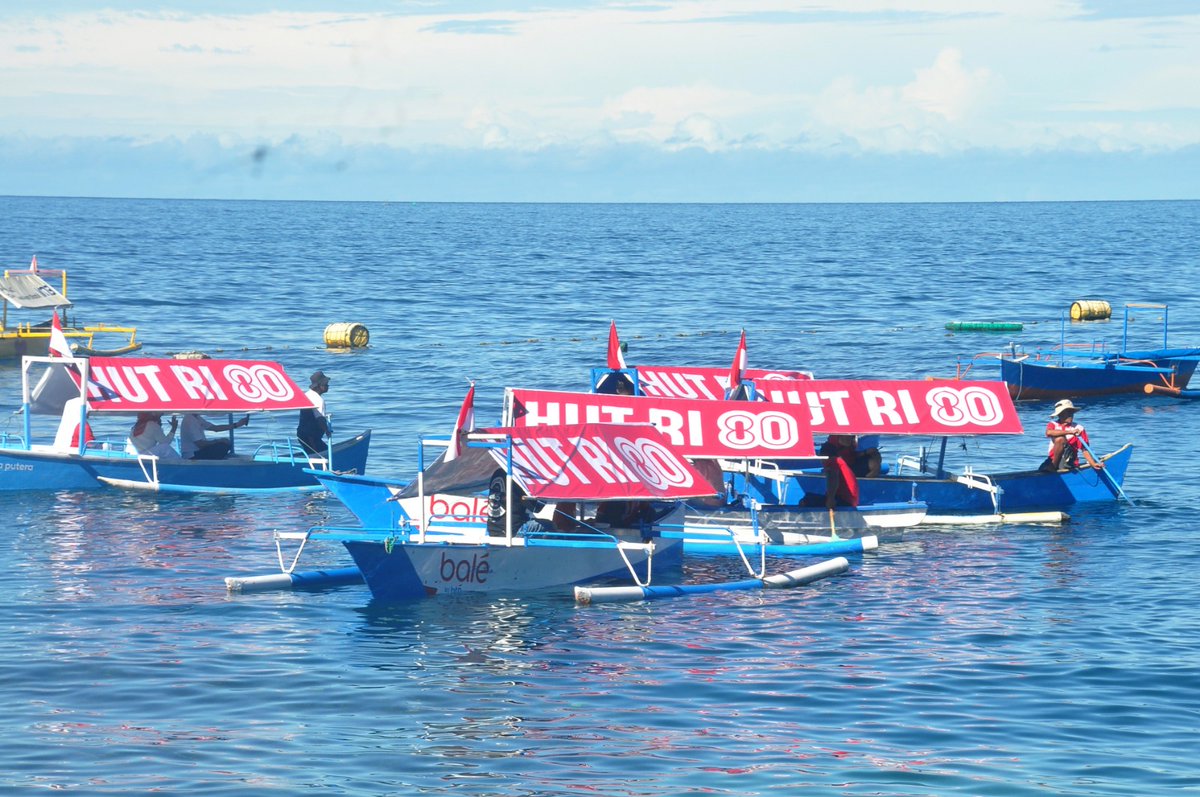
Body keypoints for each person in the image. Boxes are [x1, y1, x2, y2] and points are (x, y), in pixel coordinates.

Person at [818, 434, 882, 508]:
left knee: (805, 501)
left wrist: (830, 498)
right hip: (850, 497)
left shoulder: (835, 460)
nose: (853, 438)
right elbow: (833, 475)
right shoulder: (834, 454)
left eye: (853, 436)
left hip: (846, 500)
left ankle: (869, 485)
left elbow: (833, 476)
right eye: (851, 436)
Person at [1040, 399, 1104, 473]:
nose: (1070, 415)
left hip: (1068, 459)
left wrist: (1093, 463)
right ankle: (1053, 466)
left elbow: (1084, 449)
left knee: (1060, 439)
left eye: (1071, 412)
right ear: (1060, 414)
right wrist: (1069, 432)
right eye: (1067, 412)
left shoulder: (1079, 428)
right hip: (1052, 459)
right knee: (1041, 469)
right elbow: (1049, 432)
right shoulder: (1053, 424)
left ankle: (1053, 467)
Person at [180, 413, 250, 460]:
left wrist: (237, 425)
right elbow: (200, 444)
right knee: (222, 446)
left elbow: (215, 428)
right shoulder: (189, 420)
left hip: (199, 451)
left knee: (225, 443)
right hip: (192, 455)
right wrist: (218, 441)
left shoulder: (197, 417)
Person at [297, 370, 331, 456]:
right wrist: (327, 431)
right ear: (319, 386)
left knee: (312, 454)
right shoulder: (318, 400)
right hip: (311, 437)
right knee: (323, 455)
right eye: (326, 384)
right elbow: (320, 419)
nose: (328, 386)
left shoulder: (307, 395)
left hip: (301, 434)